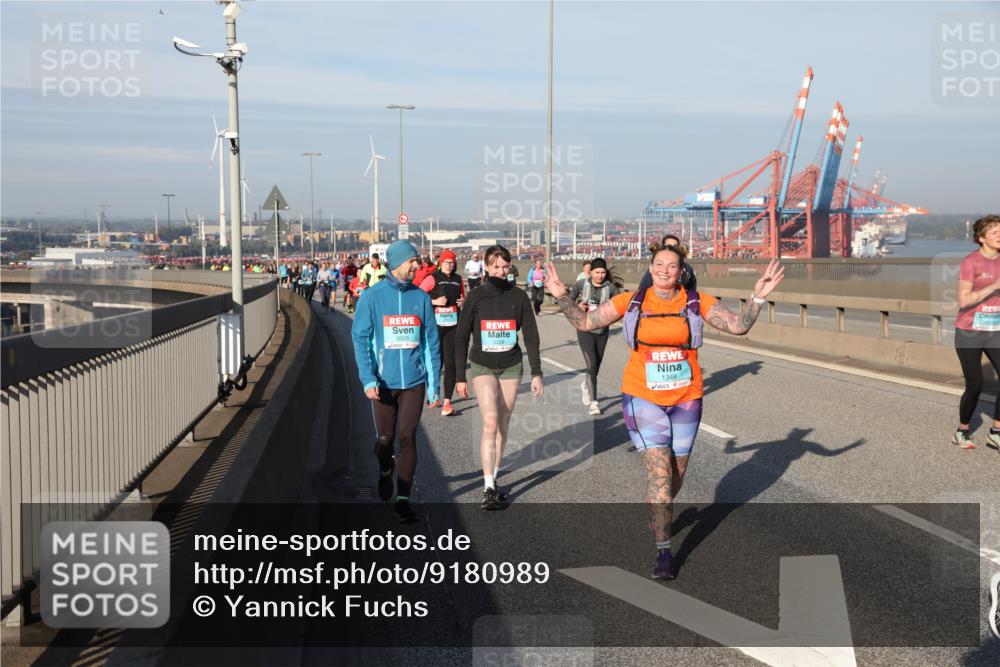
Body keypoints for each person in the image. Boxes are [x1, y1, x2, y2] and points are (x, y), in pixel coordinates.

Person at [545, 243, 783, 580]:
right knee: (659, 475)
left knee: (675, 475)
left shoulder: (696, 302)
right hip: (642, 396)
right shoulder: (632, 301)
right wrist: (560, 295)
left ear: (681, 272)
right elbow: (586, 322)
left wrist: (757, 297)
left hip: (686, 398)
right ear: (651, 267)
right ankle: (664, 552)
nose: (664, 271)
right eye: (659, 264)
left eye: (672, 266)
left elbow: (737, 326)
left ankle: (659, 511)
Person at [351, 240, 441, 523]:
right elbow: (360, 339)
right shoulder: (372, 297)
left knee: (407, 438)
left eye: (417, 261)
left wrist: (434, 384)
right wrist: (368, 379)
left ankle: (403, 501)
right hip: (383, 383)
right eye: (412, 261)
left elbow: (431, 342)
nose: (417, 266)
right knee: (385, 440)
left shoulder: (421, 298)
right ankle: (385, 469)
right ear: (398, 263)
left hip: (414, 381)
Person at [455, 245, 543, 510]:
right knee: (490, 422)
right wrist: (460, 376)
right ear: (486, 266)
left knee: (503, 424)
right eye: (495, 266)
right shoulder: (475, 297)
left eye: (505, 266)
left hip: (510, 366)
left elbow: (531, 336)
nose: (500, 271)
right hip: (482, 365)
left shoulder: (519, 297)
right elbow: (461, 337)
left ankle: (493, 478)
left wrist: (536, 372)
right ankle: (488, 487)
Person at [953, 214, 1000, 451]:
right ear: (982, 238)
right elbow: (963, 300)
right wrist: (994, 286)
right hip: (969, 331)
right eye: (995, 232)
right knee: (975, 385)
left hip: (995, 330)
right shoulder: (971, 262)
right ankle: (962, 430)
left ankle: (996, 431)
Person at [569, 257, 621, 415]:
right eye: (597, 272)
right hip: (585, 330)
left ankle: (586, 385)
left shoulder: (611, 288)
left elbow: (619, 306)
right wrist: (577, 306)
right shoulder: (581, 284)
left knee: (596, 366)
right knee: (591, 364)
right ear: (590, 272)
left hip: (602, 331)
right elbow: (567, 303)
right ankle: (594, 402)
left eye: (603, 272)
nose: (600, 275)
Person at [420, 249, 465, 416]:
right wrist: (434, 301)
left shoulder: (458, 279)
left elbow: (463, 297)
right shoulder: (432, 278)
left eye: (452, 263)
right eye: (447, 262)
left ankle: (447, 402)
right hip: (435, 327)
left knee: (451, 363)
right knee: (435, 363)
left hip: (453, 326)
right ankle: (433, 394)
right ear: (440, 263)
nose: (450, 265)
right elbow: (418, 296)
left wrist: (462, 301)